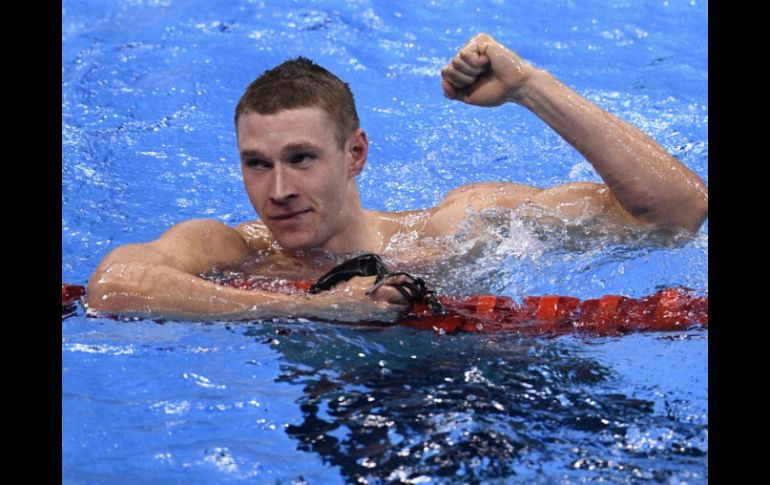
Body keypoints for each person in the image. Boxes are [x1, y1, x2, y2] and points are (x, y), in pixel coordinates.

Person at [86, 33, 708, 322]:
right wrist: (316, 309)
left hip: (506, 387)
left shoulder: (457, 228)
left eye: (301, 158)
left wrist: (529, 89)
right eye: (257, 163)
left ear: (355, 154)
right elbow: (114, 285)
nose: (277, 190)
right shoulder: (236, 249)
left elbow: (677, 214)